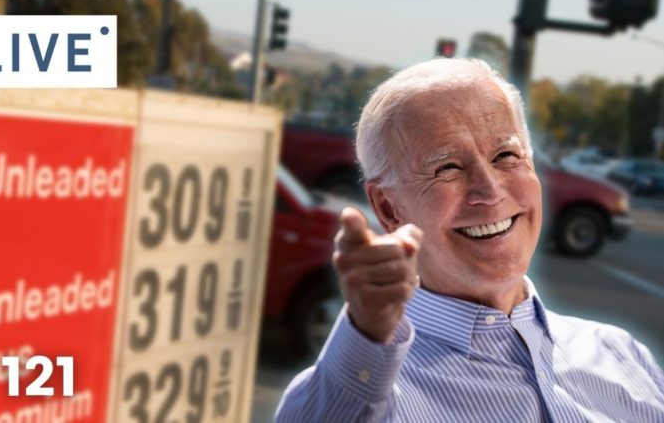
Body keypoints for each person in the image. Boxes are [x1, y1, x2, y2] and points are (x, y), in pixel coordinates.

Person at [274, 58, 664, 422]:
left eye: (506, 155)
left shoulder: (619, 353)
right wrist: (366, 329)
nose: (490, 190)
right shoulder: (373, 396)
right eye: (447, 167)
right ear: (389, 209)